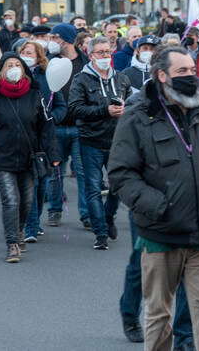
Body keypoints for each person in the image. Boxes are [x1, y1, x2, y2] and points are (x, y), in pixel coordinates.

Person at [109, 46, 199, 351]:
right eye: (182, 71)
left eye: (192, 70)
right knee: (158, 313)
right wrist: (158, 206)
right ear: (162, 75)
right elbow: (121, 173)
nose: (190, 77)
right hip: (161, 235)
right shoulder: (138, 115)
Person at [0, 53, 60, 263]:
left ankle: (19, 230)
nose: (14, 68)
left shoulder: (35, 95)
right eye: (9, 65)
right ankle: (12, 243)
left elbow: (45, 127)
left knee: (27, 201)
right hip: (2, 158)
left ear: (24, 70)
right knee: (11, 201)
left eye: (17, 64)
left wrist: (53, 153)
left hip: (28, 158)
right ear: (2, 71)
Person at [69, 35, 132, 249]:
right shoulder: (81, 79)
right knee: (93, 188)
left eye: (108, 52)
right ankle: (101, 233)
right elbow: (75, 109)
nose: (105, 56)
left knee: (118, 185)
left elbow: (132, 103)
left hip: (117, 141)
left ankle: (108, 216)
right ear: (91, 55)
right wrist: (105, 111)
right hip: (91, 141)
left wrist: (125, 110)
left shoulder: (121, 78)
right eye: (100, 52)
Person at [18, 39, 68, 243]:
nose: (25, 56)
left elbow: (61, 106)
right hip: (23, 136)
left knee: (42, 183)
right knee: (30, 182)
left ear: (39, 57)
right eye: (23, 52)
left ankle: (35, 220)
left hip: (45, 138)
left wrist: (51, 119)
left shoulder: (48, 77)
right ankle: (30, 227)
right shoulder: (15, 75)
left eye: (30, 52)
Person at [46, 23, 91, 230]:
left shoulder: (85, 63)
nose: (52, 41)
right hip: (55, 126)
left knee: (82, 172)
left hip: (80, 126)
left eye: (56, 37)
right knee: (55, 172)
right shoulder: (48, 61)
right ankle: (54, 210)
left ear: (67, 40)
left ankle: (86, 214)